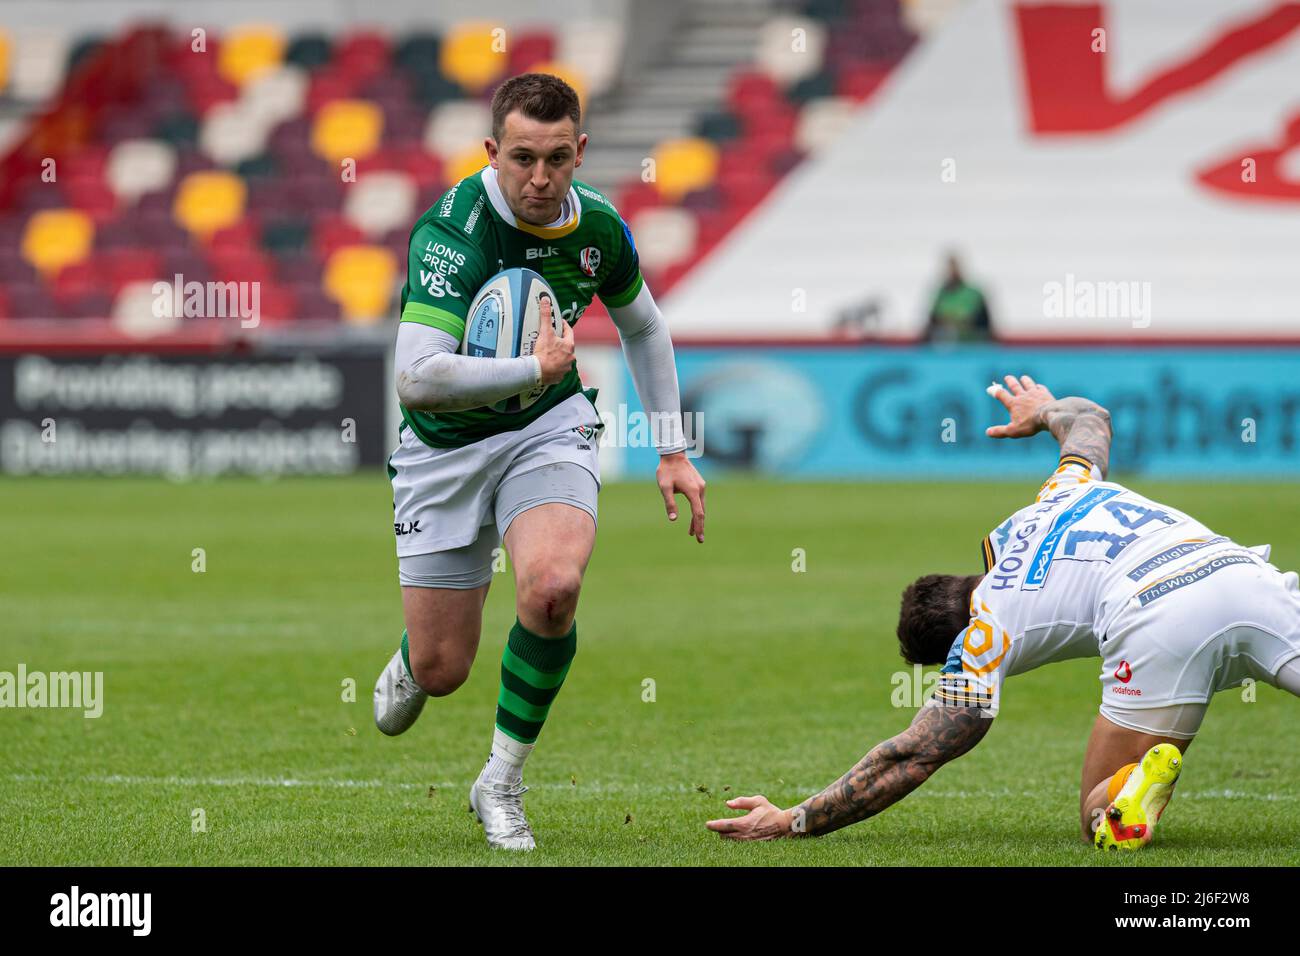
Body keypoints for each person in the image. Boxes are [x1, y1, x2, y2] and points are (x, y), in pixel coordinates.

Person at [707, 374, 1300, 849]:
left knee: (1100, 809)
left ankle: (1129, 791)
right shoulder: (1058, 493)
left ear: (950, 646)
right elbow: (1091, 419)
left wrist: (794, 820)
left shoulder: (982, 630)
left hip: (1158, 619)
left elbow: (914, 753)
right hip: (1240, 571)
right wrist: (1044, 409)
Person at [374, 73, 706, 850]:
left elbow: (646, 328)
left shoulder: (599, 228)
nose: (539, 177)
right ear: (492, 151)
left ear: (581, 151)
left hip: (547, 428)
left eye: (558, 158)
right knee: (444, 666)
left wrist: (672, 448)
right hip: (445, 447)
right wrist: (534, 368)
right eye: (521, 157)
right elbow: (416, 376)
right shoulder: (453, 231)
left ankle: (501, 782)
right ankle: (413, 661)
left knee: (554, 589)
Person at [925, 254, 992, 342]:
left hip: (972, 344)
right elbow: (933, 321)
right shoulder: (940, 295)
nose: (951, 272)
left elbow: (983, 322)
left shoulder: (974, 294)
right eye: (949, 269)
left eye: (954, 268)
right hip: (946, 345)